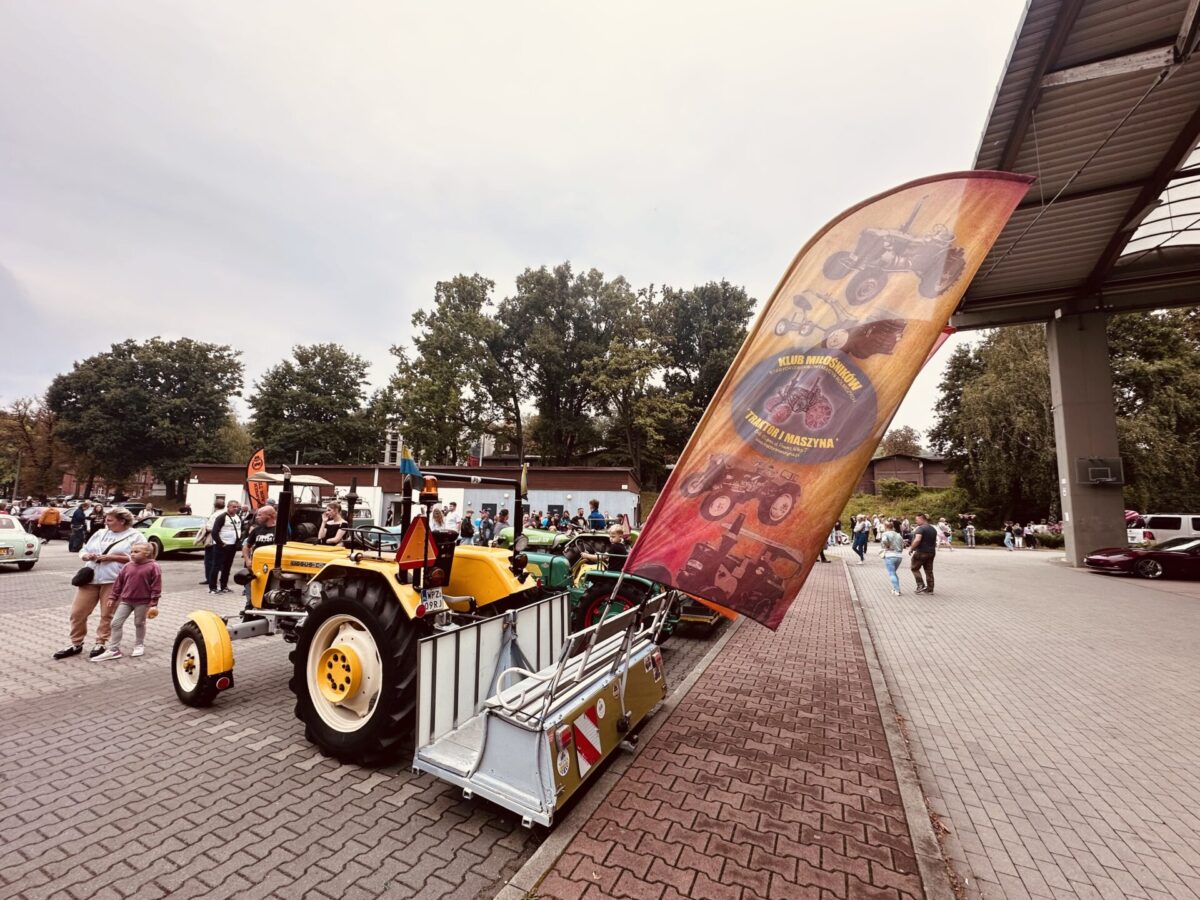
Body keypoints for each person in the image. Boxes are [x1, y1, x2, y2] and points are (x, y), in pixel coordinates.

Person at [53, 508, 146, 659]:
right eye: (106, 519)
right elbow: (84, 549)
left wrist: (113, 557)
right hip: (90, 578)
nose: (105, 522)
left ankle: (101, 642)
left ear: (122, 521)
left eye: (110, 520)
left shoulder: (135, 536)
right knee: (77, 613)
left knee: (107, 614)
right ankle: (76, 643)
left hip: (114, 580)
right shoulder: (100, 533)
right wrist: (86, 556)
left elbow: (142, 557)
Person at [92, 541, 162, 661]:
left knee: (139, 623)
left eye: (136, 552)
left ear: (147, 553)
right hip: (126, 601)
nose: (132, 554)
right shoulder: (127, 566)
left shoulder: (153, 566)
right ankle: (114, 650)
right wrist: (112, 597)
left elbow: (156, 586)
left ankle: (139, 645)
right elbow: (119, 583)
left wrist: (153, 604)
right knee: (115, 623)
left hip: (143, 602)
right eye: (131, 552)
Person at [209, 500, 243, 594]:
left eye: (237, 507)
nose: (235, 508)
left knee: (227, 567)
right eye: (233, 507)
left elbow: (240, 529)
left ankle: (224, 586)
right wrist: (221, 543)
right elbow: (214, 532)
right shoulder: (222, 517)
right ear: (228, 507)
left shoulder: (237, 517)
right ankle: (213, 587)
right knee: (216, 566)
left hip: (232, 546)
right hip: (222, 546)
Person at [907, 513, 938, 595]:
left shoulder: (920, 529)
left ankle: (920, 585)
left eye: (917, 520)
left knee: (914, 568)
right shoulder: (933, 529)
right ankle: (930, 589)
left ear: (922, 519)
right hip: (931, 552)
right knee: (929, 571)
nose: (916, 521)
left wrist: (911, 548)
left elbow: (917, 540)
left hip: (921, 552)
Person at [880, 517, 905, 595]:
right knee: (894, 573)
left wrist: (888, 546)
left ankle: (897, 590)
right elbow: (902, 544)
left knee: (891, 573)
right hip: (899, 556)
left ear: (885, 527)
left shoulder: (885, 534)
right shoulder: (898, 534)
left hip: (890, 555)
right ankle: (895, 588)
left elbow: (884, 540)